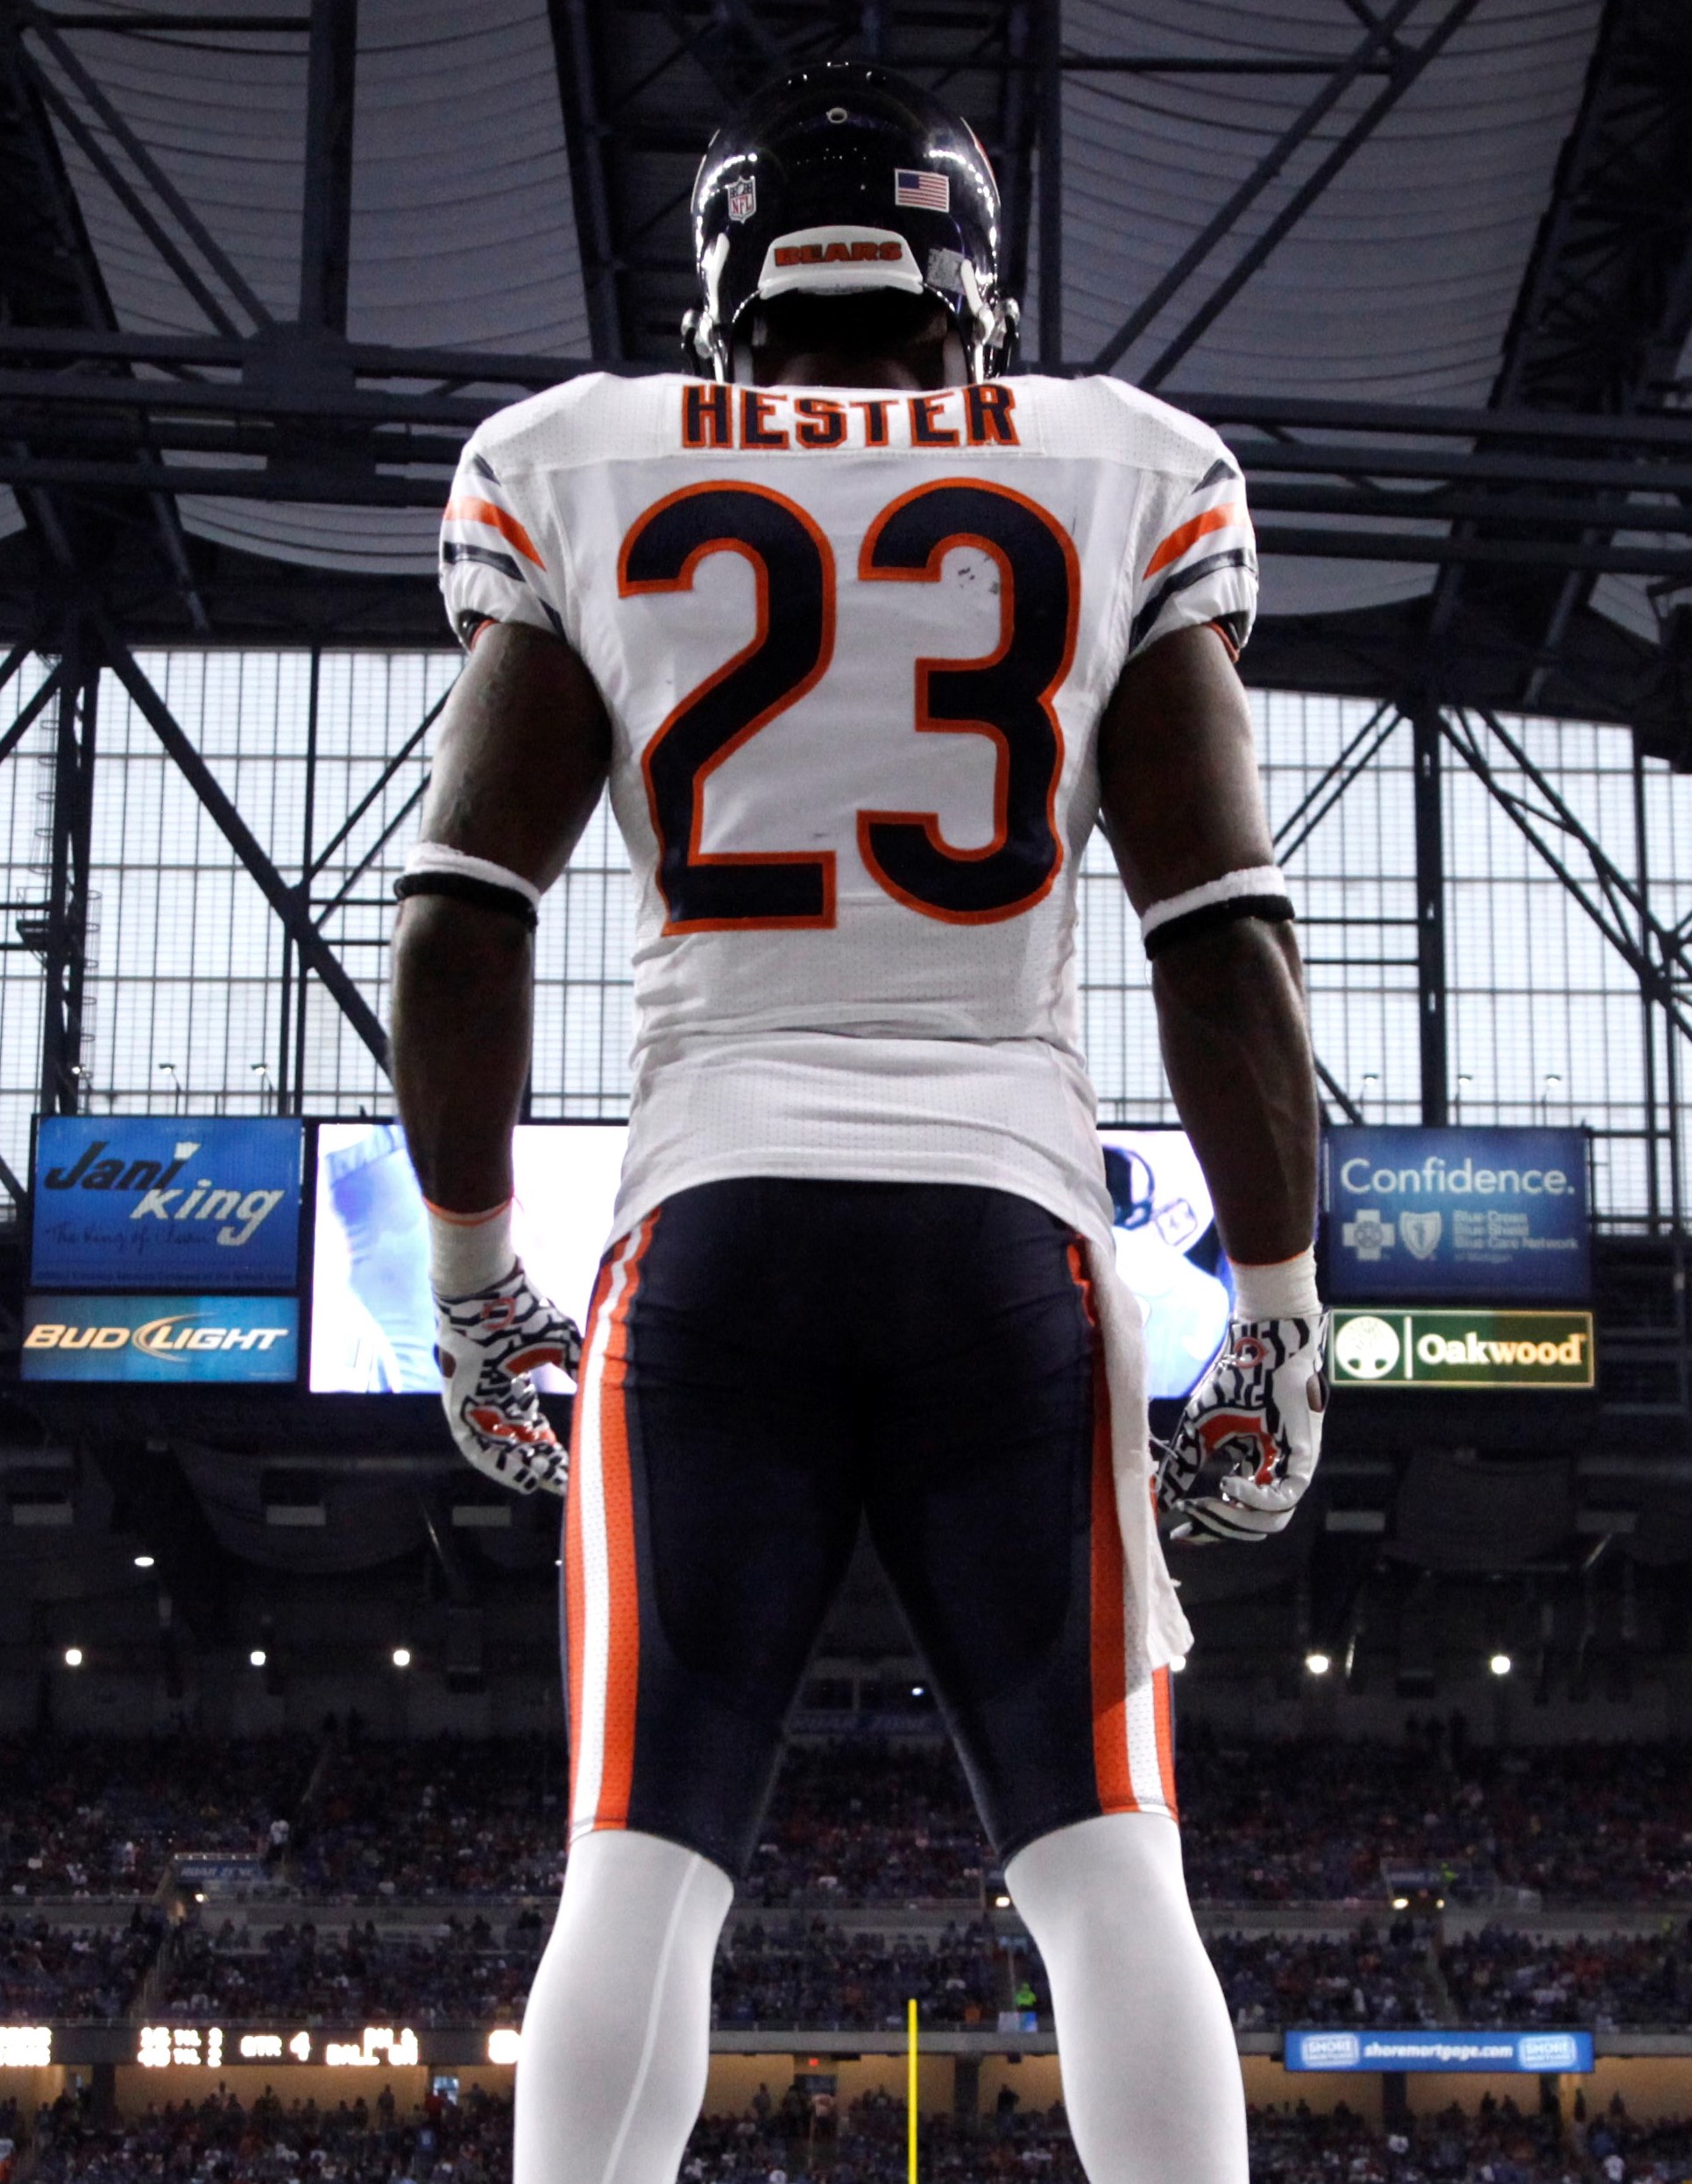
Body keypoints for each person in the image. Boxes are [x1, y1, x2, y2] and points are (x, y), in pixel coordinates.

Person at [394, 59, 1323, 2184]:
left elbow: (459, 915)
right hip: (1004, 1231)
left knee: (639, 1857)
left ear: (727, 280)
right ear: (964, 276)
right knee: (1104, 1869)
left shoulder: (579, 458)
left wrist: (471, 1289)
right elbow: (1216, 932)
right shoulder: (1122, 465)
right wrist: (1276, 1320)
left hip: (707, 1224)